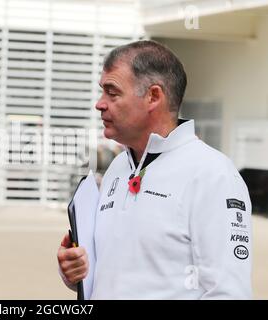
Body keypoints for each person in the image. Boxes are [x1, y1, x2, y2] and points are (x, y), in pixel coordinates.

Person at [57, 40, 252, 299]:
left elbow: (228, 293)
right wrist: (76, 270)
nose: (100, 104)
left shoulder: (212, 174)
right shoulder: (117, 168)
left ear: (154, 96)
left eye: (111, 92)